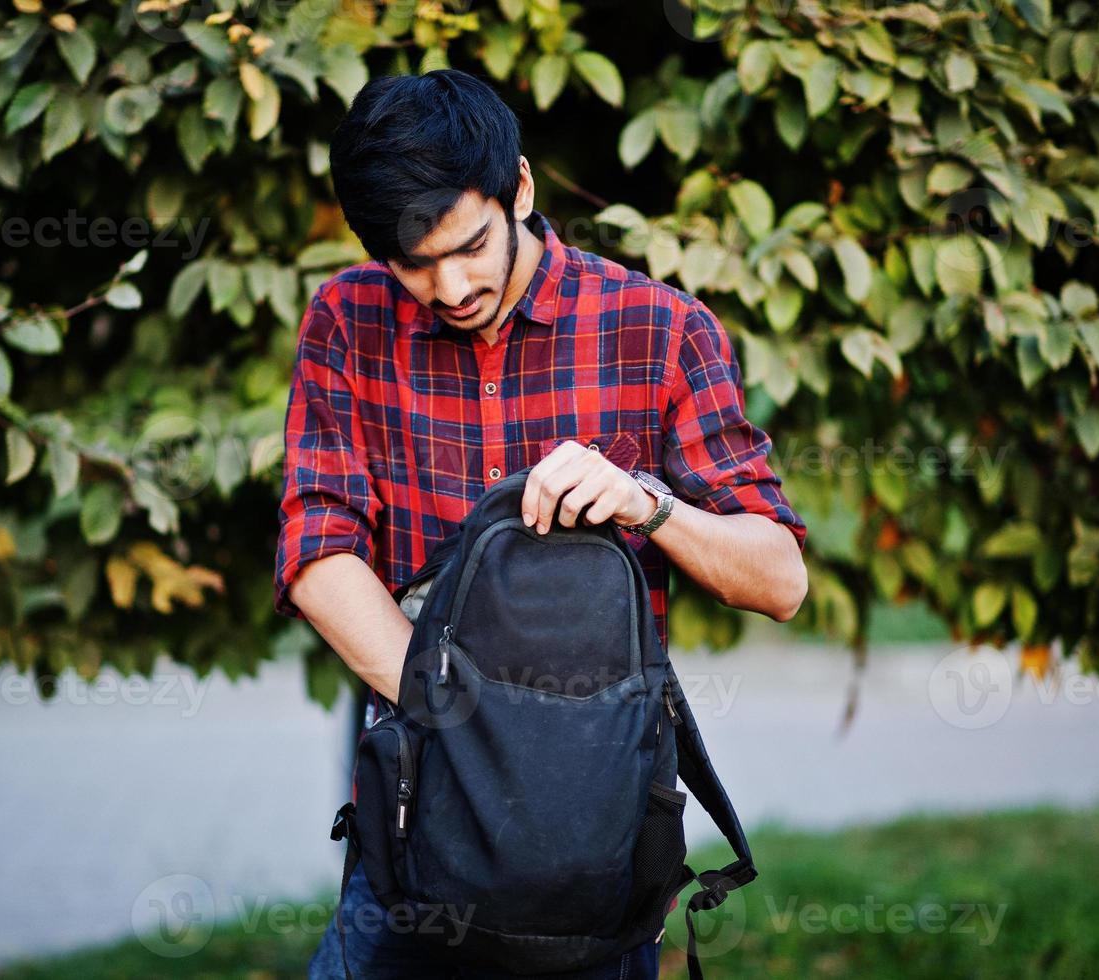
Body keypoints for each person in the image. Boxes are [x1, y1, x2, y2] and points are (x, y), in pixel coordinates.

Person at [273, 68, 808, 979]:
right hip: (414, 831)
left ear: (519, 188)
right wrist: (463, 716)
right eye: (413, 264)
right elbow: (317, 546)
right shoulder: (346, 320)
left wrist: (650, 501)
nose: (449, 286)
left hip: (592, 838)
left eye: (470, 245)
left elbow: (779, 580)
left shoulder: (658, 327)